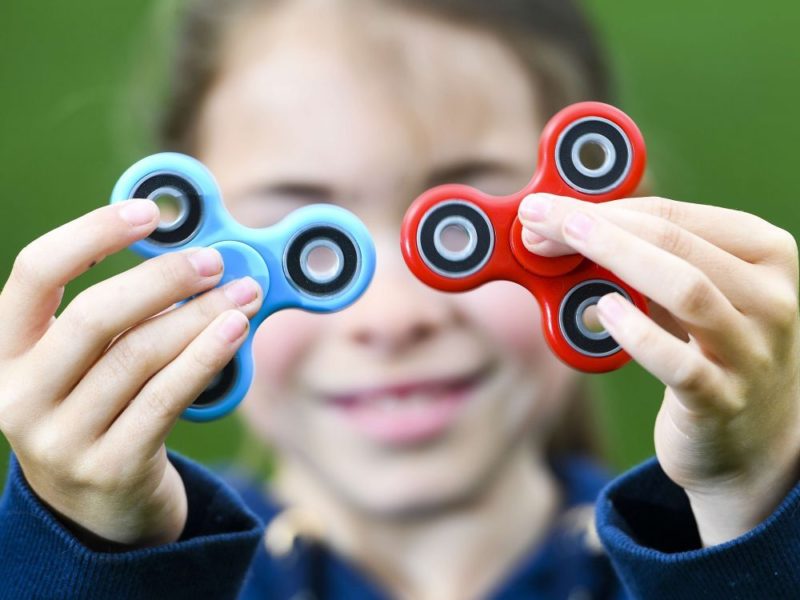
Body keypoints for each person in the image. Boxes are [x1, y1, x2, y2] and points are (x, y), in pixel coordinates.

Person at [1, 0, 799, 598]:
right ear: (177, 235)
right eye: (307, 241)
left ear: (614, 228)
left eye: (463, 231)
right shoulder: (149, 557)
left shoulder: (697, 547)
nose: (392, 315)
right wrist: (89, 549)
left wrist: (751, 507)